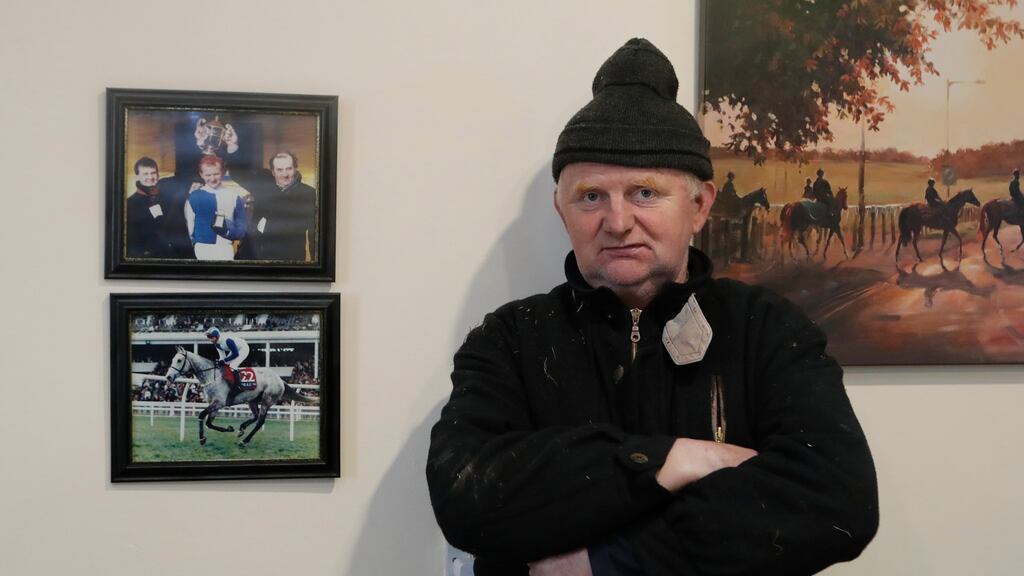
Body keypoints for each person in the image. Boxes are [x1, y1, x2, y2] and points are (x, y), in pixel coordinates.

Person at [426, 38, 878, 576]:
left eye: (644, 192)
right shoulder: (508, 340)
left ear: (700, 205)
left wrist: (611, 561)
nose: (616, 222)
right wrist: (674, 460)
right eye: (591, 196)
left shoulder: (769, 331)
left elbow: (836, 502)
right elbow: (465, 498)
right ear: (560, 208)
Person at [221, 127, 318, 261]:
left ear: (295, 168)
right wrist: (232, 145)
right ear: (272, 171)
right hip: (252, 255)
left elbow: (315, 233)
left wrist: (315, 263)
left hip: (286, 261)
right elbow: (239, 174)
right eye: (279, 170)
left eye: (289, 168)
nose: (285, 174)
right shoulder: (263, 181)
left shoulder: (309, 194)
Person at [125, 157, 194, 259]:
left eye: (153, 173)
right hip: (154, 257)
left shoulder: (168, 190)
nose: (150, 177)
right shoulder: (130, 204)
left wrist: (195, 182)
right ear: (137, 177)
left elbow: (186, 175)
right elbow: (133, 241)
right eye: (145, 174)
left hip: (181, 253)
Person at [184, 155, 249, 260]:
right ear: (201, 174)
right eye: (208, 175)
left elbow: (242, 228)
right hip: (201, 249)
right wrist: (195, 244)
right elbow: (189, 226)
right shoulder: (194, 197)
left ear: (222, 172)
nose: (212, 178)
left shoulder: (233, 196)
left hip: (226, 249)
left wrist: (228, 233)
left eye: (216, 174)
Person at [205, 327, 249, 392]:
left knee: (232, 366)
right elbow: (222, 357)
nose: (210, 339)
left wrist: (224, 361)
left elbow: (235, 354)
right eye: (209, 337)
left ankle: (239, 386)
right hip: (235, 350)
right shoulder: (216, 344)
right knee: (225, 364)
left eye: (211, 337)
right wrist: (220, 362)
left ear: (216, 336)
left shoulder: (227, 341)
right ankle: (228, 382)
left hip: (243, 348)